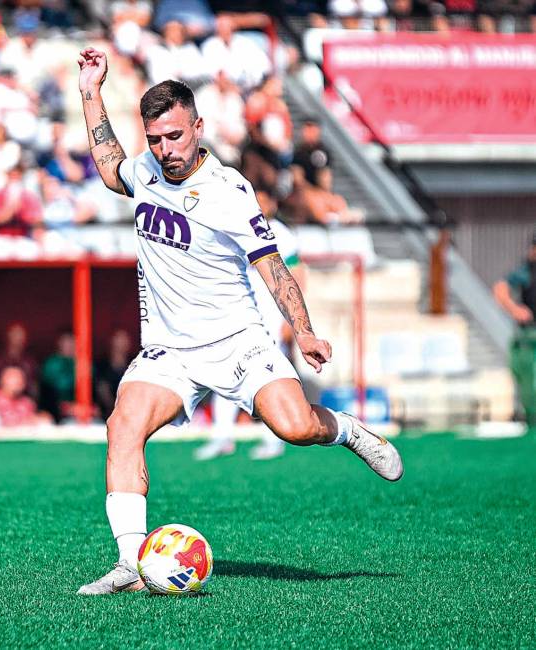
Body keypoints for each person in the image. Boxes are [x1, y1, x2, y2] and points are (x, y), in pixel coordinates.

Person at [74, 48, 402, 595]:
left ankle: (347, 430)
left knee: (295, 428)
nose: (164, 149)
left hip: (237, 342)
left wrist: (303, 329)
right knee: (122, 427)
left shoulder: (229, 192)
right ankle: (133, 564)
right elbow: (110, 166)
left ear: (198, 127)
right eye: (155, 138)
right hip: (170, 350)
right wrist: (90, 91)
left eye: (174, 136)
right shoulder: (147, 171)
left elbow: (273, 268)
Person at [195, 190, 304, 461]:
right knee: (226, 371)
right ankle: (222, 436)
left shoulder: (281, 234)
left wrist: (293, 320)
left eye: (264, 200)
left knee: (270, 376)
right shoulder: (235, 227)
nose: (259, 205)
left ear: (273, 203)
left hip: (271, 316)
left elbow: (297, 275)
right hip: (240, 313)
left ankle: (274, 437)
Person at [493, 233, 536, 430]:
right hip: (529, 335)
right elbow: (500, 288)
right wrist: (515, 309)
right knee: (526, 379)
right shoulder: (526, 272)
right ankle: (530, 418)